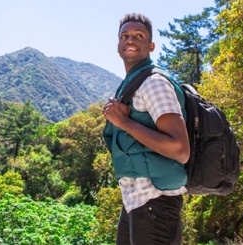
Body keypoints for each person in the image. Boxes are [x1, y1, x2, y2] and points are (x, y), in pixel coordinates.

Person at [102, 13, 190, 245]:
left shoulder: (154, 83)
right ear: (118, 45)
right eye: (125, 35)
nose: (130, 39)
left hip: (156, 201)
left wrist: (124, 122)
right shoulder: (132, 83)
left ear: (150, 46)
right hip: (134, 200)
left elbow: (180, 149)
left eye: (138, 36)